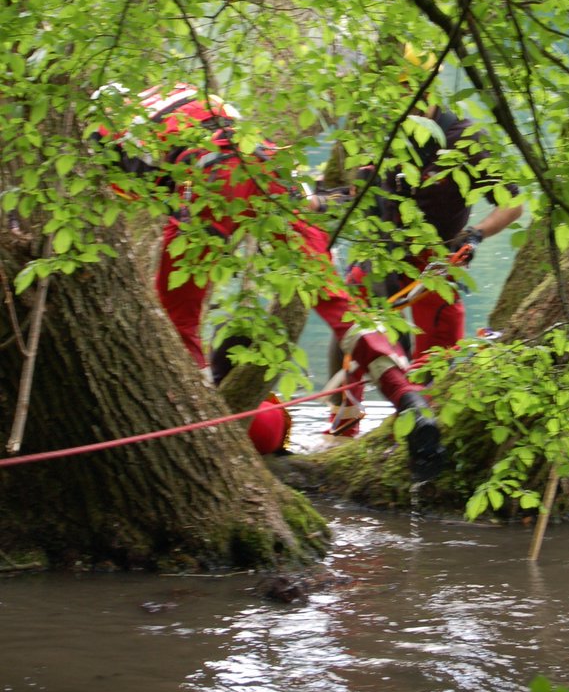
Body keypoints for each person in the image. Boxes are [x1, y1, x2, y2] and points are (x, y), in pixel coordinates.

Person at [90, 81, 446, 479]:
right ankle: (409, 400)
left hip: (208, 178)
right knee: (336, 302)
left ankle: (200, 431)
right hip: (272, 168)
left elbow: (148, 193)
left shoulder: (107, 130)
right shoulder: (181, 90)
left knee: (180, 321)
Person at [326, 49, 523, 437]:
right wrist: (319, 202)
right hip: (382, 258)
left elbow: (512, 204)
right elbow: (357, 193)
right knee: (347, 336)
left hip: (434, 267)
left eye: (405, 89)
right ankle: (344, 429)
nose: (398, 100)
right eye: (393, 91)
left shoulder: (464, 139)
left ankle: (417, 438)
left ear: (427, 88)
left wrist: (476, 235)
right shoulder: (387, 135)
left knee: (433, 371)